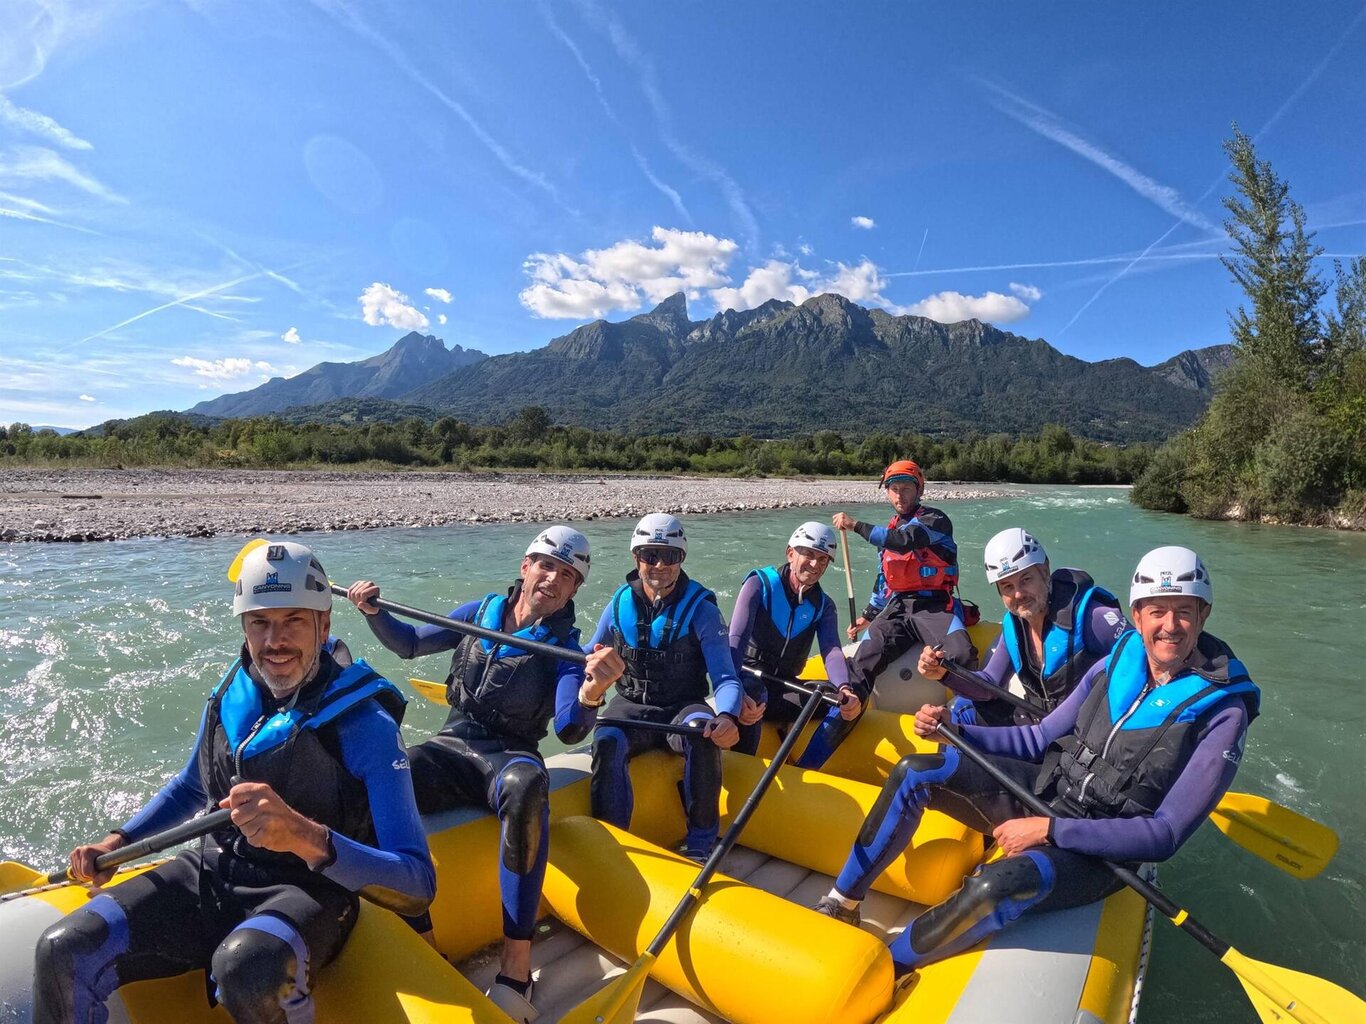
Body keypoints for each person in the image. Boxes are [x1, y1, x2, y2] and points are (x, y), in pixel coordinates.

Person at [33, 541, 434, 1024]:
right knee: (63, 950)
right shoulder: (232, 694)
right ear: (244, 627)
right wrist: (119, 840)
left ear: (324, 625)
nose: (275, 641)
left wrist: (305, 836)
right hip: (215, 870)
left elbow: (416, 882)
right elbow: (189, 787)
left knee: (248, 966)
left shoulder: (366, 725)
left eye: (293, 621)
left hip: (309, 891)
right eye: (260, 622)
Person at [813, 546, 1259, 977]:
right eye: (1157, 610)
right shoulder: (1117, 660)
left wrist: (1050, 831)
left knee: (994, 887)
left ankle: (883, 970)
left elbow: (1163, 836)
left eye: (1185, 610)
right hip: (1049, 789)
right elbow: (1039, 737)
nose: (1171, 626)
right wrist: (956, 729)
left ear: (1204, 615)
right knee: (917, 772)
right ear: (1138, 614)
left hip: (1101, 853)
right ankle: (841, 903)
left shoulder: (1224, 712)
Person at [345, 525, 623, 1023]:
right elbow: (409, 644)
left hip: (508, 758)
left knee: (527, 787)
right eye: (546, 565)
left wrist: (591, 693)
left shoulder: (567, 648)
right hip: (451, 746)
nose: (553, 579)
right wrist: (374, 612)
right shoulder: (480, 613)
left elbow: (567, 728)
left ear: (575, 590)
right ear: (525, 566)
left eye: (567, 575)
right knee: (373, 779)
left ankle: (517, 968)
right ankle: (425, 941)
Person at [586, 513, 743, 863]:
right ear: (635, 558)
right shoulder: (618, 603)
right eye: (649, 555)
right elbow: (588, 654)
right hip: (630, 706)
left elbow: (726, 677)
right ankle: (612, 844)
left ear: (681, 559)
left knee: (701, 733)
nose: (659, 565)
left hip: (682, 708)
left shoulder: (702, 611)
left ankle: (701, 843)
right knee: (607, 741)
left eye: (669, 556)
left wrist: (729, 715)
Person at [919, 527, 1128, 726]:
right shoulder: (1014, 626)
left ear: (1045, 572)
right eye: (1007, 587)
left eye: (1026, 579)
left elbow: (1147, 664)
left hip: (1086, 733)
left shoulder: (1094, 617)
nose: (1018, 594)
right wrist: (942, 673)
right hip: (1041, 725)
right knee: (961, 711)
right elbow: (990, 685)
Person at [833, 459, 975, 701]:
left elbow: (904, 540)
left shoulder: (934, 519)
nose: (900, 496)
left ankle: (969, 718)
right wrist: (868, 616)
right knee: (861, 661)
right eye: (894, 489)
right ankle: (846, 711)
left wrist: (855, 525)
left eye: (906, 489)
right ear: (887, 493)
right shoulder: (888, 531)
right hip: (898, 608)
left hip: (934, 606)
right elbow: (884, 580)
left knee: (961, 655)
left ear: (919, 490)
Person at [730, 521, 864, 769]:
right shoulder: (759, 585)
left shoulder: (823, 605)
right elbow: (735, 641)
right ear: (791, 553)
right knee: (755, 693)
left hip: (782, 689)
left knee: (853, 696)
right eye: (809, 555)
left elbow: (832, 650)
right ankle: (742, 770)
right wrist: (731, 687)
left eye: (823, 560)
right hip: (747, 679)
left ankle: (806, 767)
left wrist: (844, 688)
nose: (815, 565)